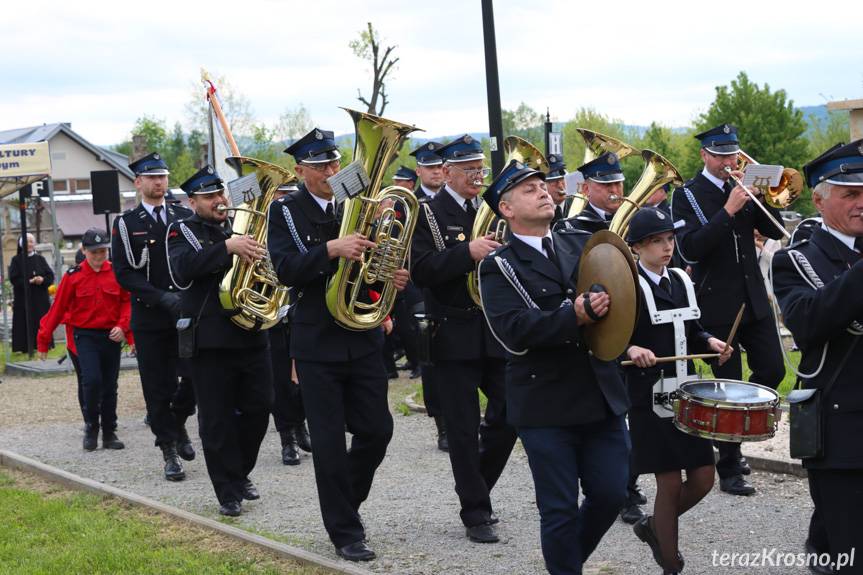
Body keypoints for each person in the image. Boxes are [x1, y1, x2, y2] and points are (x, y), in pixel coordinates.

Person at [478, 159, 630, 574]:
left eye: (542, 185)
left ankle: (564, 565)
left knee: (612, 493)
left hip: (600, 394)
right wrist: (575, 316)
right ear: (506, 209)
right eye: (529, 189)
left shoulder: (577, 244)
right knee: (559, 510)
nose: (544, 191)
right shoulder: (498, 266)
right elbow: (512, 331)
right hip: (545, 403)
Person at [268, 128, 409, 562]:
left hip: (361, 335)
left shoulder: (357, 204)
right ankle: (345, 532)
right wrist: (331, 248)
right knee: (327, 441)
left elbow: (374, 262)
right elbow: (286, 269)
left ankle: (345, 505)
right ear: (300, 171)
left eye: (333, 164)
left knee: (378, 431)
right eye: (320, 166)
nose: (330, 172)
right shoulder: (286, 212)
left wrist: (391, 278)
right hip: (317, 341)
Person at [411, 134, 518, 544]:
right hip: (451, 331)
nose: (477, 175)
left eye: (480, 168)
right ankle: (475, 512)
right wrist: (467, 253)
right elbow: (421, 271)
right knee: (461, 427)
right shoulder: (428, 213)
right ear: (447, 172)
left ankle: (477, 487)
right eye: (468, 169)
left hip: (492, 330)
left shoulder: (492, 210)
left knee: (510, 413)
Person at [671, 124, 785, 496]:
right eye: (720, 155)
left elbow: (778, 231)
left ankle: (739, 430)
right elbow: (690, 249)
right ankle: (730, 463)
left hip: (753, 297)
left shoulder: (746, 190)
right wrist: (728, 209)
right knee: (728, 385)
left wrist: (764, 200)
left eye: (732, 154)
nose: (728, 162)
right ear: (705, 155)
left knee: (772, 367)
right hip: (716, 303)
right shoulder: (687, 195)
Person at [623, 207, 732, 574]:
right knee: (668, 481)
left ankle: (654, 526)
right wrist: (629, 349)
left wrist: (712, 341)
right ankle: (670, 564)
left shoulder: (681, 281)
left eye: (670, 239)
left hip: (686, 391)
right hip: (647, 395)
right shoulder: (626, 283)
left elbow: (694, 328)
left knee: (703, 477)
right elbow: (606, 338)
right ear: (637, 246)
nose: (667, 247)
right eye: (657, 241)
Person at [771, 139, 863, 575]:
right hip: (842, 430)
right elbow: (808, 320)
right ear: (821, 199)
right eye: (851, 194)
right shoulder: (798, 259)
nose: (862, 203)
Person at [167, 165, 273, 517]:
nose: (219, 200)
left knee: (259, 409)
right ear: (192, 201)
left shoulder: (240, 223)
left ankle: (239, 472)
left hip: (251, 331)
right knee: (216, 419)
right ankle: (227, 491)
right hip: (210, 339)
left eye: (221, 193)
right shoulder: (181, 229)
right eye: (209, 196)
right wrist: (228, 247)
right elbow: (184, 269)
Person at [112, 152, 196, 482]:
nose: (159, 182)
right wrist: (161, 298)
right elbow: (123, 273)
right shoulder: (127, 223)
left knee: (193, 379)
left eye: (162, 177)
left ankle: (177, 424)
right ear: (138, 182)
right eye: (152, 177)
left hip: (185, 313)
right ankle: (169, 450)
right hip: (151, 317)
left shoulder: (181, 215)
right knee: (158, 387)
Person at [37, 228, 132, 451]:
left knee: (110, 386)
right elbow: (57, 310)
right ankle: (91, 427)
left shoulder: (117, 273)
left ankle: (109, 432)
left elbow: (127, 303)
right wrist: (43, 340)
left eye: (102, 251)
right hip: (84, 335)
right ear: (84, 251)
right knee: (91, 380)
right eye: (93, 252)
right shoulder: (74, 277)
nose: (99, 256)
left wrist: (123, 326)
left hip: (110, 335)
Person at [268, 181, 312, 466]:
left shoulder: (300, 223)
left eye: (290, 195)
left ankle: (300, 424)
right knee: (279, 379)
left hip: (297, 306)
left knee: (305, 377)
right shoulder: (261, 226)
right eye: (281, 195)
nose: (286, 200)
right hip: (270, 311)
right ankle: (287, 436)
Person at [409, 140, 449, 449]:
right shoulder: (407, 203)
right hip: (419, 288)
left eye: (440, 166)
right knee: (431, 360)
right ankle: (442, 423)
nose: (436, 172)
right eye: (430, 167)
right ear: (419, 170)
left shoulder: (458, 200)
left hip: (455, 292)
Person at [554, 151, 624, 233]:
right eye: (607, 184)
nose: (614, 190)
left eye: (618, 183)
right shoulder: (570, 228)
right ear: (586, 189)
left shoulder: (633, 220)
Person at [9, 233, 54, 354]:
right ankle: (23, 347)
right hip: (23, 298)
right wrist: (29, 281)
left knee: (41, 321)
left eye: (31, 242)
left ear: (34, 244)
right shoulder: (16, 260)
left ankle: (44, 345)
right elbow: (14, 279)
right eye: (26, 242)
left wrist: (42, 280)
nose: (28, 244)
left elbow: (50, 276)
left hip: (40, 298)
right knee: (23, 321)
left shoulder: (40, 259)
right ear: (21, 244)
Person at [545, 154, 568, 223]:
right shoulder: (538, 213)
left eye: (562, 179)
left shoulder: (577, 205)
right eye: (553, 181)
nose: (561, 186)